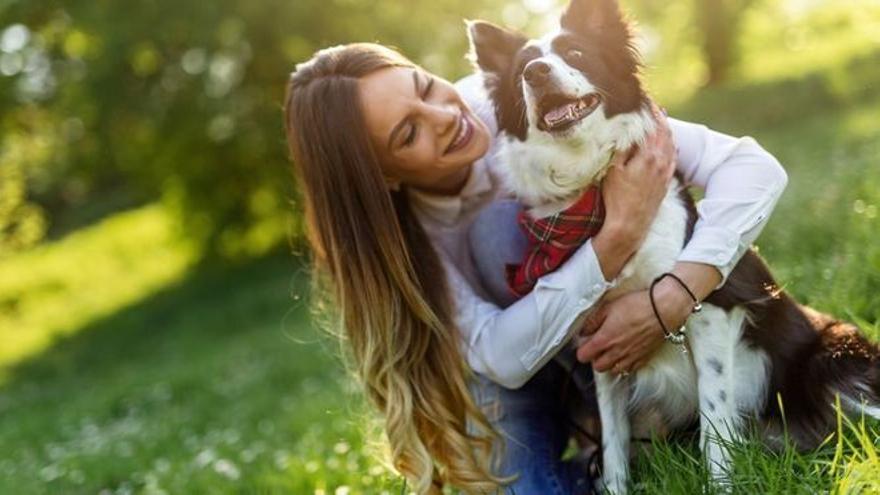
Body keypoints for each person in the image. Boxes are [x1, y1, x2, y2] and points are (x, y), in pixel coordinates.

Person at [283, 43, 788, 494]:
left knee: (500, 225)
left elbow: (754, 168)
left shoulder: (520, 96)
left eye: (425, 87)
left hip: (619, 343)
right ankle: (617, 455)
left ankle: (654, 434)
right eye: (409, 132)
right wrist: (615, 238)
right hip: (514, 377)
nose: (441, 115)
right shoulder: (395, 245)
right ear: (385, 177)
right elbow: (501, 358)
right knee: (522, 488)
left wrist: (677, 292)